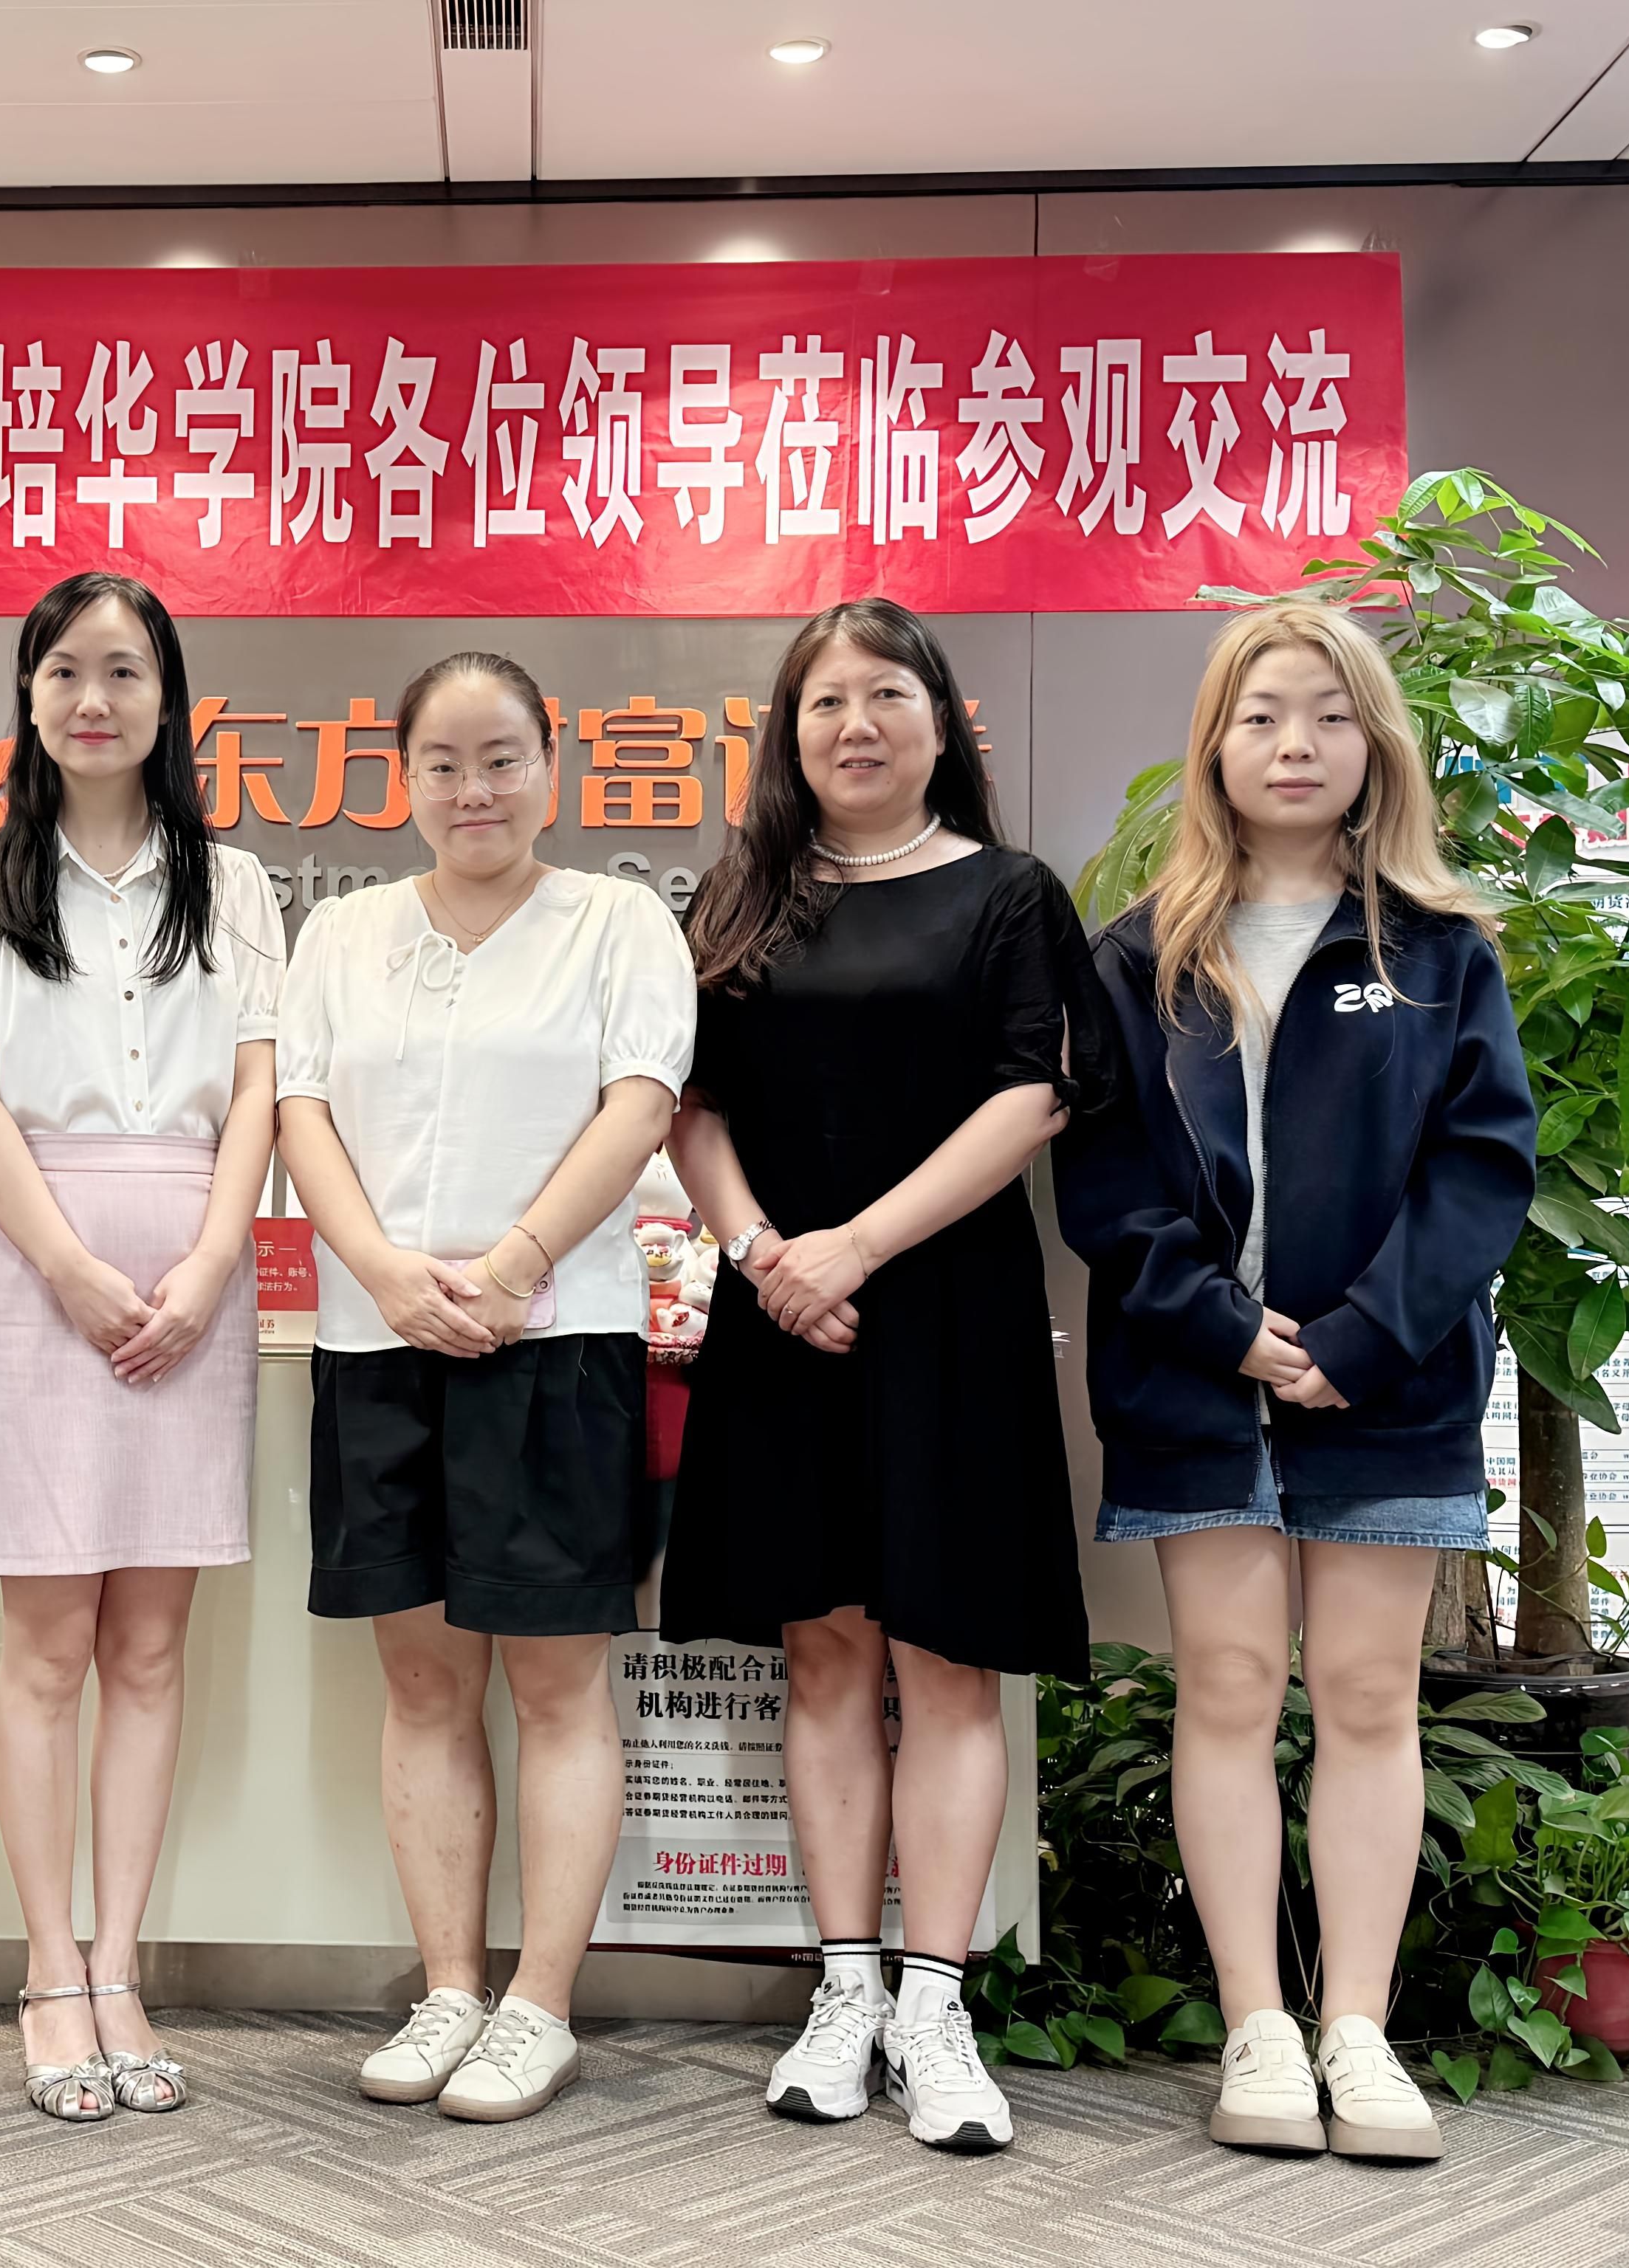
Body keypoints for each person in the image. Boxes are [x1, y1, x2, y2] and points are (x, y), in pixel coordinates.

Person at [1057, 603, 1533, 2163]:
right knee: (1225, 1686)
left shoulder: (1439, 949)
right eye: (1261, 716)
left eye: (1328, 716)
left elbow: (1482, 1170)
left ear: (1373, 746)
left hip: (1388, 1383)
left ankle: (1359, 2031)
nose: (1294, 745)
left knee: (1370, 1696)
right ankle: (1258, 2024)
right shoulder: (1141, 954)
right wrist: (1225, 1328)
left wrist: (1360, 1337)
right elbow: (1106, 1186)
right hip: (1198, 1382)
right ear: (1214, 747)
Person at [660, 598, 1110, 2155]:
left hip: (945, 1316)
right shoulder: (741, 899)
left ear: (938, 720)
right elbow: (688, 1105)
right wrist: (761, 1255)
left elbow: (1035, 1096)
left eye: (885, 696)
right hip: (780, 1313)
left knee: (949, 1658)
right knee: (824, 1653)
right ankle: (843, 1989)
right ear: (787, 737)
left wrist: (851, 1248)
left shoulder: (1007, 893)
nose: (854, 725)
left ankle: (936, 2003)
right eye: (823, 702)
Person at [276, 652, 694, 2125]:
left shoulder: (618, 922)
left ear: (551, 766)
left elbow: (640, 1103)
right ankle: (450, 1987)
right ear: (401, 779)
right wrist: (385, 1272)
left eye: (502, 758)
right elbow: (301, 1111)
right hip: (375, 1338)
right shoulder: (341, 934)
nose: (475, 790)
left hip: (557, 1339)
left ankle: (539, 2006)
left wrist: (515, 1265)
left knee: (557, 1682)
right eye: (444, 764)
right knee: (421, 1678)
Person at [0, 572, 282, 2124]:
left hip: (194, 1265)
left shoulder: (234, 883)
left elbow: (260, 1093)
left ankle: (120, 1964)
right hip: (33, 1261)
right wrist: (65, 1266)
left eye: (124, 671)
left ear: (166, 697)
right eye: (65, 670)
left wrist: (212, 1263)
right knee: (49, 1645)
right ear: (29, 693)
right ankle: (48, 1968)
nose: (93, 699)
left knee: (149, 1648)